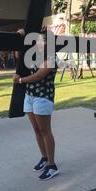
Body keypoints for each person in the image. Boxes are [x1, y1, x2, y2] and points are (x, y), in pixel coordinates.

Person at [13, 29, 59, 180]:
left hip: (43, 97)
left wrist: (20, 80)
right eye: (38, 40)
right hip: (30, 96)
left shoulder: (51, 58)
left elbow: (38, 76)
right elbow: (19, 56)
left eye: (44, 40)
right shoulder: (34, 55)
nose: (40, 43)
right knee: (37, 130)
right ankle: (44, 158)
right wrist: (20, 38)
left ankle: (52, 165)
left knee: (45, 131)